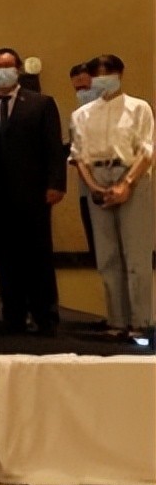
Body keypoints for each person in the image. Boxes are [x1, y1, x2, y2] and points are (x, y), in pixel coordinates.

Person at [0, 48, 66, 335]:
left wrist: (56, 184)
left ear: (17, 69)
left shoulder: (40, 103)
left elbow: (53, 148)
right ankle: (13, 315)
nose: (1, 71)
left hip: (34, 193)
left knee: (38, 256)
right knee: (4, 257)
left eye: (6, 65)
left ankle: (45, 315)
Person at [71, 54, 153, 340]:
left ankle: (141, 322)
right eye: (98, 75)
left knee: (136, 254)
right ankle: (117, 321)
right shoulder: (82, 114)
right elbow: (78, 156)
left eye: (108, 74)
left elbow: (147, 150)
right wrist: (94, 186)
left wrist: (127, 184)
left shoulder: (138, 107)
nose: (103, 79)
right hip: (97, 176)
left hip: (132, 176)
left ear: (120, 74)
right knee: (107, 256)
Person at [67, 62, 100, 262]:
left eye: (86, 88)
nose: (82, 94)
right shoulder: (77, 117)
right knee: (96, 247)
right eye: (78, 89)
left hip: (118, 186)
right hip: (87, 190)